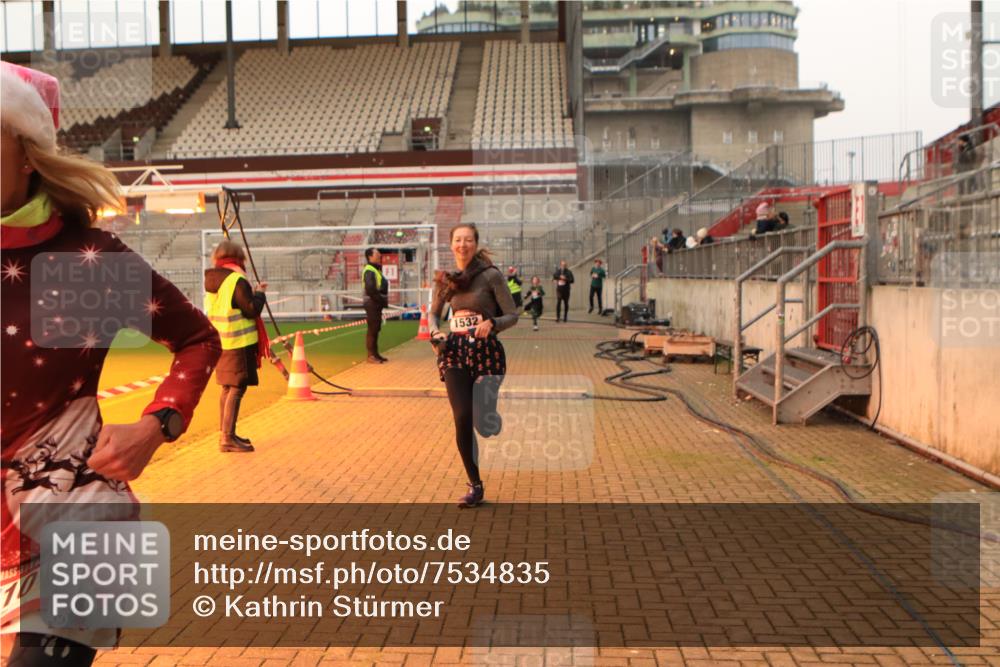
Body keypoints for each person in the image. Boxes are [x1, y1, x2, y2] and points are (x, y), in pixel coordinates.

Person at [1, 62, 221, 665]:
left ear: (28, 154)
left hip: (82, 521)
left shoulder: (87, 260)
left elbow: (199, 339)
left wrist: (157, 425)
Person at [428, 223, 518, 507]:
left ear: (475, 244)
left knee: (483, 423)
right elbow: (433, 316)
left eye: (468, 240)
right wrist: (435, 333)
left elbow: (513, 314)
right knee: (462, 417)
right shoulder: (446, 280)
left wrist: (492, 323)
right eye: (457, 240)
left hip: (486, 353)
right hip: (454, 353)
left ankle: (489, 417)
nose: (462, 244)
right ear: (451, 245)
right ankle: (475, 485)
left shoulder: (490, 276)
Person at [204, 240, 268, 453]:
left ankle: (226, 433)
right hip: (238, 343)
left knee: (227, 388)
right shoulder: (236, 280)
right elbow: (251, 310)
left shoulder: (212, 280)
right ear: (239, 258)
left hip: (220, 341)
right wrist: (259, 293)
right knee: (237, 387)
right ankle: (227, 438)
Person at [362, 247, 389, 364]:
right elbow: (370, 289)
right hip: (373, 303)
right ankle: (371, 355)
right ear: (370, 257)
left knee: (376, 328)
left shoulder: (375, 269)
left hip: (376, 303)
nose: (379, 255)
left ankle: (375, 354)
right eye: (377, 254)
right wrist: (380, 300)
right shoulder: (369, 270)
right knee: (373, 329)